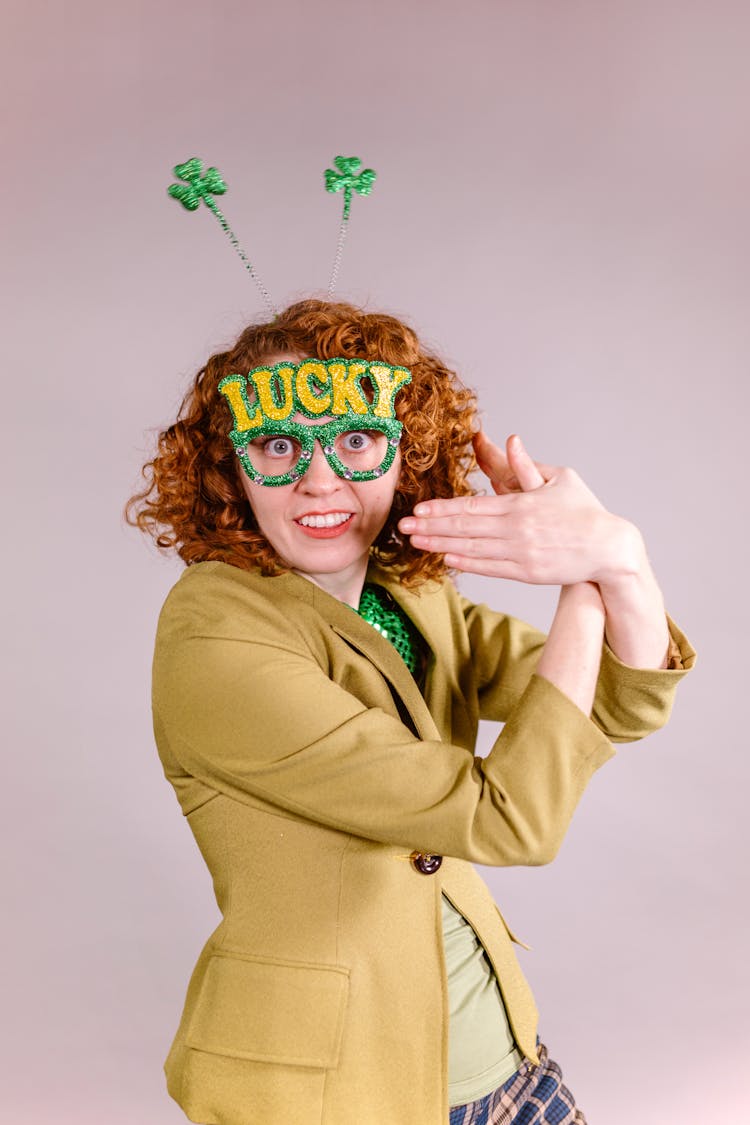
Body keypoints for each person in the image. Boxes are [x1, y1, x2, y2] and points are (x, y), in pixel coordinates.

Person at [128, 298, 694, 1125]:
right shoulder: (214, 641)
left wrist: (624, 560)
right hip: (337, 1096)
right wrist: (584, 576)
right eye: (280, 445)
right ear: (230, 467)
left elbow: (612, 695)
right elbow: (510, 822)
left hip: (502, 1063)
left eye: (355, 438)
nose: (322, 480)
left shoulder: (410, 592)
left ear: (407, 452)